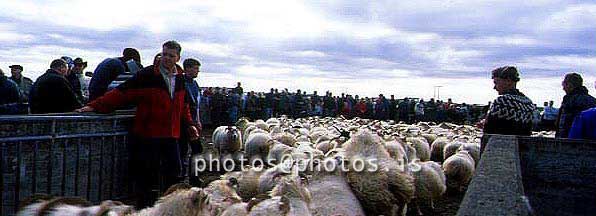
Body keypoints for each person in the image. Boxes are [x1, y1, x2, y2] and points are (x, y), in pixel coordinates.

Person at [77, 41, 199, 208]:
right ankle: (145, 210)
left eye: (171, 55)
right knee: (148, 178)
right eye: (164, 54)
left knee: (174, 174)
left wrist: (190, 124)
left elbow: (183, 106)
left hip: (171, 135)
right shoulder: (147, 75)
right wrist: (95, 105)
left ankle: (170, 208)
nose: (167, 58)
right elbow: (122, 93)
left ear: (178, 58)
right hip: (149, 135)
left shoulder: (180, 79)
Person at [479, 66, 535, 136]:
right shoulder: (528, 102)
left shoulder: (502, 101)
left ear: (508, 81)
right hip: (522, 145)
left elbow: (488, 131)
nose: (494, 87)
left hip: (502, 145)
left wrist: (484, 124)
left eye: (496, 83)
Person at [179, 58, 203, 184]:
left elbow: (196, 104)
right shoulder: (181, 82)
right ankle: (181, 177)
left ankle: (194, 176)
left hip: (193, 121)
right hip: (183, 123)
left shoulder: (194, 84)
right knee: (182, 150)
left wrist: (198, 120)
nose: (197, 71)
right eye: (195, 68)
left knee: (197, 149)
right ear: (187, 68)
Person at [556, 73, 596, 138]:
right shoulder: (593, 100)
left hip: (570, 143)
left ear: (569, 85)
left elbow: (563, 126)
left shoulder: (569, 101)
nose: (563, 88)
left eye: (563, 84)